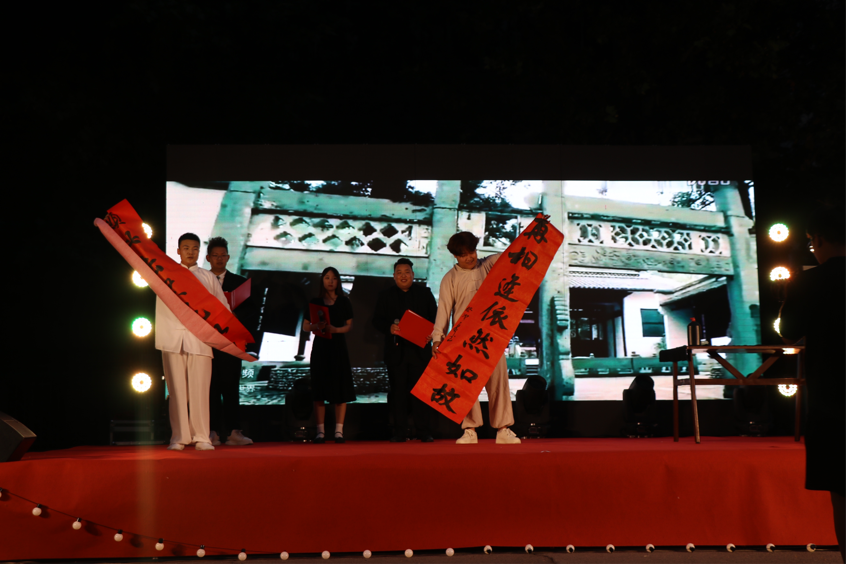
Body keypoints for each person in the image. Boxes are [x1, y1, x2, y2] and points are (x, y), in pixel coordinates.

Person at [779, 206, 845, 561]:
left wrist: (789, 295)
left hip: (832, 403)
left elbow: (788, 332)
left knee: (842, 493)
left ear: (818, 239)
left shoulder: (809, 281)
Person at [432, 232, 521, 445]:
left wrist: (537, 228)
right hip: (464, 340)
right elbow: (443, 311)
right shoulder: (449, 279)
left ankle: (503, 428)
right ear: (455, 256)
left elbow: (516, 253)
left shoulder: (488, 264)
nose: (469, 257)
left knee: (498, 382)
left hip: (492, 335)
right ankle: (470, 429)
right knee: (465, 385)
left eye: (471, 252)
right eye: (463, 255)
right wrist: (437, 338)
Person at [156, 233, 230, 451]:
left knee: (200, 390)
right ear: (178, 251)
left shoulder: (208, 277)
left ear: (199, 251)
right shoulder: (164, 274)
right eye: (186, 248)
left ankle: (202, 437)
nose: (190, 252)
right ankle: (178, 437)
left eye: (195, 248)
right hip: (172, 338)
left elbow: (223, 308)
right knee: (177, 391)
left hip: (200, 339)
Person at [372, 258, 439, 442]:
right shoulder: (385, 295)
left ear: (413, 274)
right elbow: (376, 320)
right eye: (399, 273)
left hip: (420, 351)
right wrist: (389, 328)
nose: (403, 276)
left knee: (421, 393)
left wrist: (432, 333)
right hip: (396, 352)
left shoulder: (424, 293)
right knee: (398, 393)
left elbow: (436, 318)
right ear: (394, 276)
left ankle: (423, 432)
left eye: (407, 272)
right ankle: (400, 432)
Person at [206, 237, 259, 447]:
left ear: (228, 257)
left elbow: (252, 310)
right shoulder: (200, 281)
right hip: (208, 341)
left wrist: (235, 316)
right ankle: (211, 431)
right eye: (215, 256)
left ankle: (234, 432)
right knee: (210, 387)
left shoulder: (239, 282)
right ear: (208, 258)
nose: (219, 259)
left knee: (230, 386)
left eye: (223, 255)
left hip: (232, 341)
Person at [302, 267, 356, 443]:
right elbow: (305, 326)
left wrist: (335, 330)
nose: (330, 281)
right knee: (319, 389)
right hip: (320, 347)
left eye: (333, 278)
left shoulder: (344, 301)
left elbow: (349, 325)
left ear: (338, 281)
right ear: (322, 281)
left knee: (340, 388)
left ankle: (339, 431)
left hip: (338, 347)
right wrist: (316, 326)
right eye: (327, 277)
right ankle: (320, 432)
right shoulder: (315, 302)